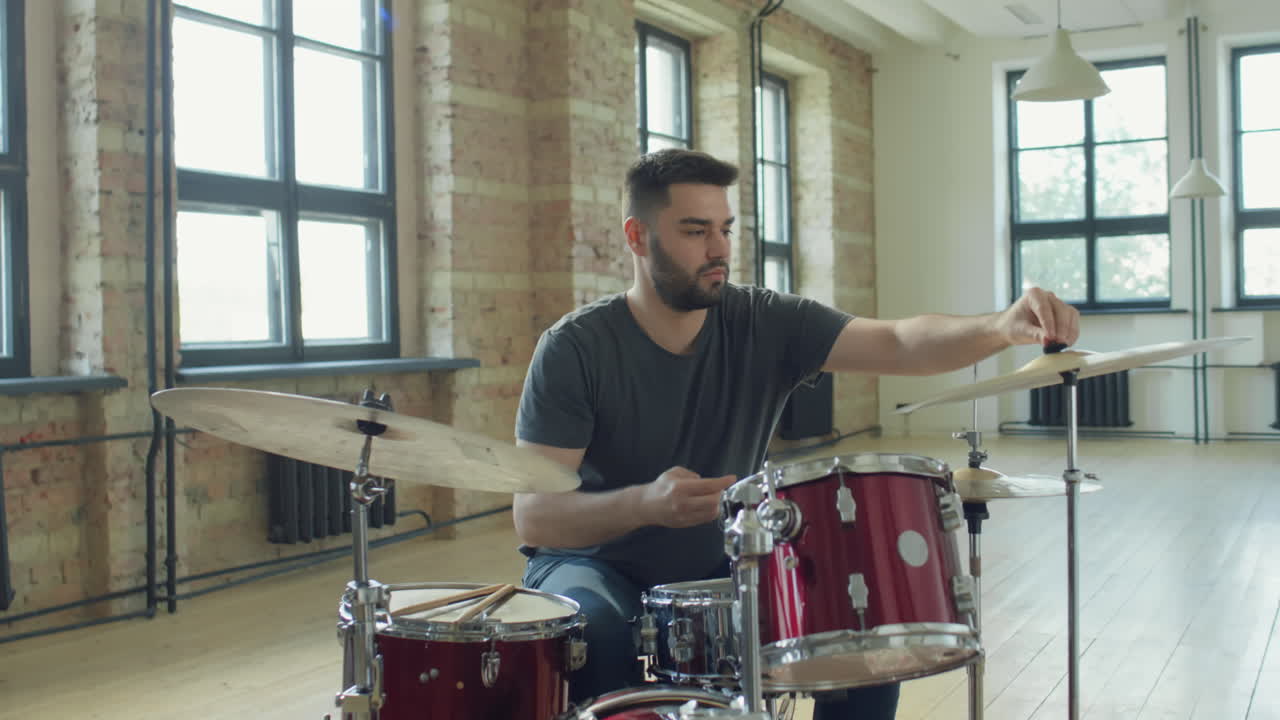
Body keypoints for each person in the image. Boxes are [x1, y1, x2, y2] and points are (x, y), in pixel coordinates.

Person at [512, 148, 1080, 718]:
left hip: (723, 555)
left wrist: (1001, 327)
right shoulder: (576, 348)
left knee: (864, 634)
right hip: (590, 561)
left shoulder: (764, 321)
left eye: (725, 229)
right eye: (694, 230)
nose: (718, 250)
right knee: (599, 629)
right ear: (638, 237)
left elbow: (899, 341)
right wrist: (643, 504)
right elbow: (534, 516)